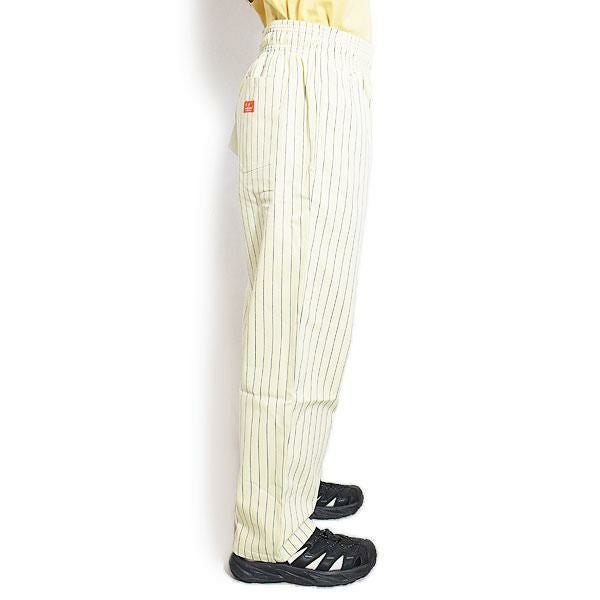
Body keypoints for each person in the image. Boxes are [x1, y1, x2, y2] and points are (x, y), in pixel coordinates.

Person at [227, 0, 376, 586]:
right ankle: (269, 535)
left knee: (313, 302)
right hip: (309, 69)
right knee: (293, 312)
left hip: (318, 67)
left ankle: (288, 484)